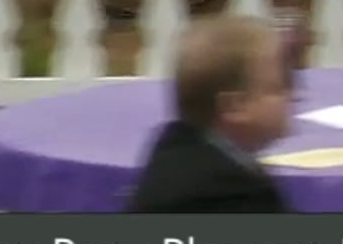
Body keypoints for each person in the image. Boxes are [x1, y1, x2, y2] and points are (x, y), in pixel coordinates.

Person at [125, 14, 295, 214]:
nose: (291, 96)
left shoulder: (173, 146)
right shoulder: (230, 194)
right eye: (276, 88)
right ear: (235, 106)